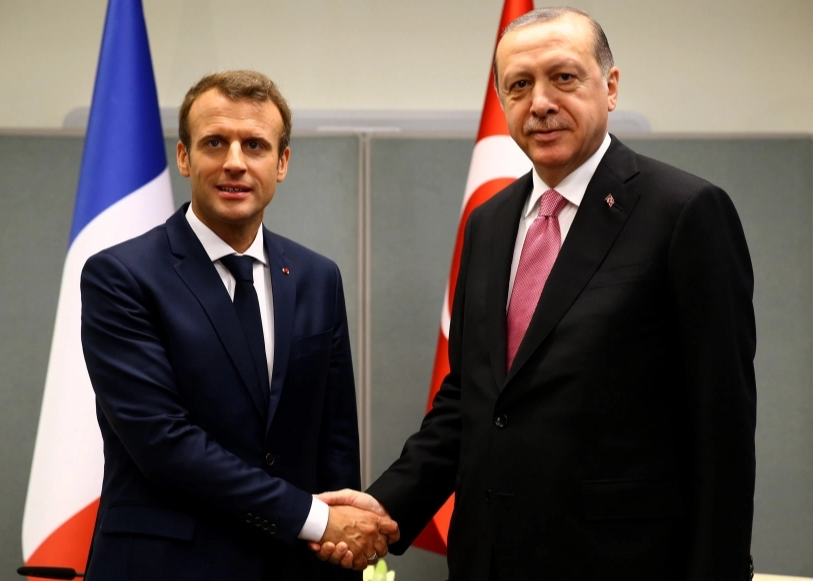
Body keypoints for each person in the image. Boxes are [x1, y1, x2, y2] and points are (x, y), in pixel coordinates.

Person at [314, 7, 756, 581]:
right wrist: (387, 505)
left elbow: (722, 425)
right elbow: (472, 400)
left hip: (622, 563)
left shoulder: (684, 212)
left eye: (563, 77)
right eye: (519, 85)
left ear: (611, 87)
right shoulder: (489, 222)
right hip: (488, 559)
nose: (540, 102)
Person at [80, 70, 397, 581]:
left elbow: (334, 443)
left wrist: (342, 546)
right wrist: (317, 520)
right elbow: (163, 442)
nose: (235, 162)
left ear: (282, 162)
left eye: (254, 145)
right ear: (184, 157)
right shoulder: (121, 276)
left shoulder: (318, 277)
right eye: (214, 142)